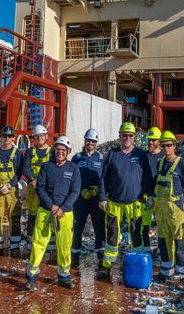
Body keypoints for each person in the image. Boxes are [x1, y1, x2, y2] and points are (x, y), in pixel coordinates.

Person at [96, 122, 151, 281]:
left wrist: (150, 195)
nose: (127, 138)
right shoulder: (112, 154)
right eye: (124, 135)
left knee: (136, 235)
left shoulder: (140, 154)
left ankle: (137, 264)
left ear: (134, 137)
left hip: (135, 203)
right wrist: (102, 197)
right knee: (112, 236)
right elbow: (103, 179)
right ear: (119, 136)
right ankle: (107, 267)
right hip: (114, 202)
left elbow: (146, 177)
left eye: (130, 135)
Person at [25, 136, 81, 291]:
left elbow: (75, 191)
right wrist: (52, 206)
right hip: (46, 211)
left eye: (64, 150)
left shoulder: (73, 169)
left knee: (64, 245)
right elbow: (40, 188)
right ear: (54, 149)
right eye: (58, 149)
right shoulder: (46, 167)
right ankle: (31, 276)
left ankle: (64, 275)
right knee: (39, 243)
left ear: (68, 152)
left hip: (65, 213)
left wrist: (62, 208)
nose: (60, 152)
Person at [146, 130, 184, 290]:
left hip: (176, 211)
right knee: (163, 242)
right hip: (161, 211)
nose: (166, 148)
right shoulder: (160, 163)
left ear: (174, 146)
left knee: (180, 243)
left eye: (169, 145)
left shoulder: (182, 163)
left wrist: (179, 204)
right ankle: (167, 271)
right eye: (163, 145)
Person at [71, 129, 105, 268]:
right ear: (85, 141)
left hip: (96, 199)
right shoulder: (76, 158)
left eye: (93, 141)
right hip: (80, 199)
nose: (90, 143)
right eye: (88, 140)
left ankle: (101, 256)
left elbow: (104, 178)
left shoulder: (102, 158)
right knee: (78, 227)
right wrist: (80, 191)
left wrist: (98, 191)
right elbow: (73, 178)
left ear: (96, 143)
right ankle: (74, 257)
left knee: (99, 228)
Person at [0, 126, 23, 258]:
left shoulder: (17, 154)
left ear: (13, 138)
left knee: (14, 217)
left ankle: (15, 247)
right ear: (1, 137)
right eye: (5, 136)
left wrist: (9, 185)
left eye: (10, 136)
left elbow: (18, 172)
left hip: (12, 190)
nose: (7, 139)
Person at [22, 124, 55, 256]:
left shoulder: (52, 152)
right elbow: (26, 168)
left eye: (42, 135)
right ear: (34, 139)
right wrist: (32, 179)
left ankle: (51, 248)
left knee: (48, 216)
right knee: (32, 217)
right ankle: (30, 246)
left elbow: (54, 169)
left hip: (47, 190)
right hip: (33, 190)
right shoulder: (30, 152)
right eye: (37, 136)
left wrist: (43, 183)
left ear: (46, 136)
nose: (40, 138)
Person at [142, 126, 163, 253]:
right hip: (145, 196)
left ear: (159, 141)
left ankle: (161, 251)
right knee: (145, 225)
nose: (151, 143)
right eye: (149, 140)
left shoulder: (164, 156)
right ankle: (146, 250)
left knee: (161, 225)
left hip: (160, 197)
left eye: (153, 140)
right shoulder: (143, 156)